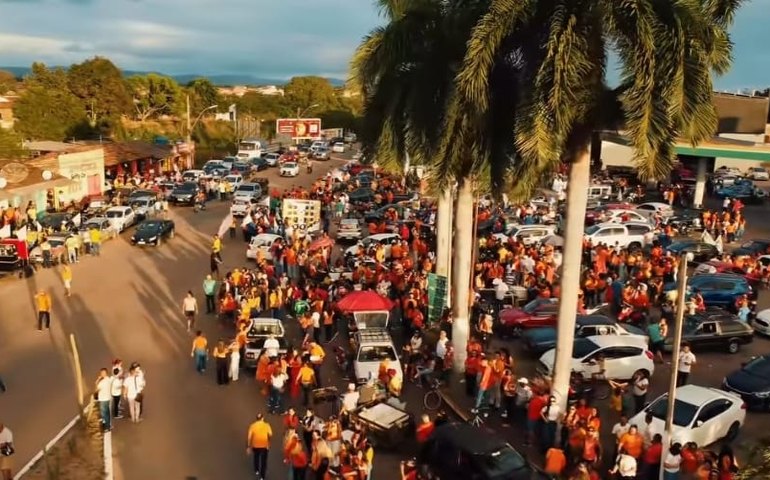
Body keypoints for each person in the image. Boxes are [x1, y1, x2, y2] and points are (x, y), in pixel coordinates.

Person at [247, 413, 272, 480]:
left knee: (256, 457)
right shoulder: (267, 425)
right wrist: (269, 443)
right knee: (263, 462)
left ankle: (256, 469)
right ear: (262, 418)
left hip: (255, 445)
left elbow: (249, 437)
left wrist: (248, 446)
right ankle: (262, 476)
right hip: (264, 446)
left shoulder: (252, 426)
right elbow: (270, 435)